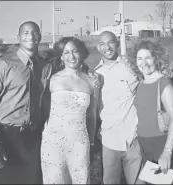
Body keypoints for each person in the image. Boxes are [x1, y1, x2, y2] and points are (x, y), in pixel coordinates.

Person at [0, 21, 49, 184]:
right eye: (25, 33)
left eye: (34, 32)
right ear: (18, 37)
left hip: (35, 136)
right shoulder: (3, 65)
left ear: (40, 37)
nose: (30, 36)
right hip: (8, 135)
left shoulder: (45, 66)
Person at [40, 37, 99, 184]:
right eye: (66, 52)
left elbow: (92, 114)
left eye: (74, 51)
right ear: (61, 56)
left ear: (82, 54)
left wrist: (91, 142)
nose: (71, 56)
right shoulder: (51, 79)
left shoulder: (93, 81)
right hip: (52, 143)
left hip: (80, 142)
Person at [94, 31, 143, 184]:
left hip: (133, 139)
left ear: (117, 44)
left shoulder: (132, 65)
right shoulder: (95, 74)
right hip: (109, 140)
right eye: (102, 44)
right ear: (97, 47)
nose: (107, 47)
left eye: (110, 42)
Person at [132, 40, 173, 183]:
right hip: (144, 145)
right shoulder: (140, 83)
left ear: (156, 58)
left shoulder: (163, 83)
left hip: (160, 144)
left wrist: (167, 152)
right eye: (139, 58)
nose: (144, 62)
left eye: (148, 57)